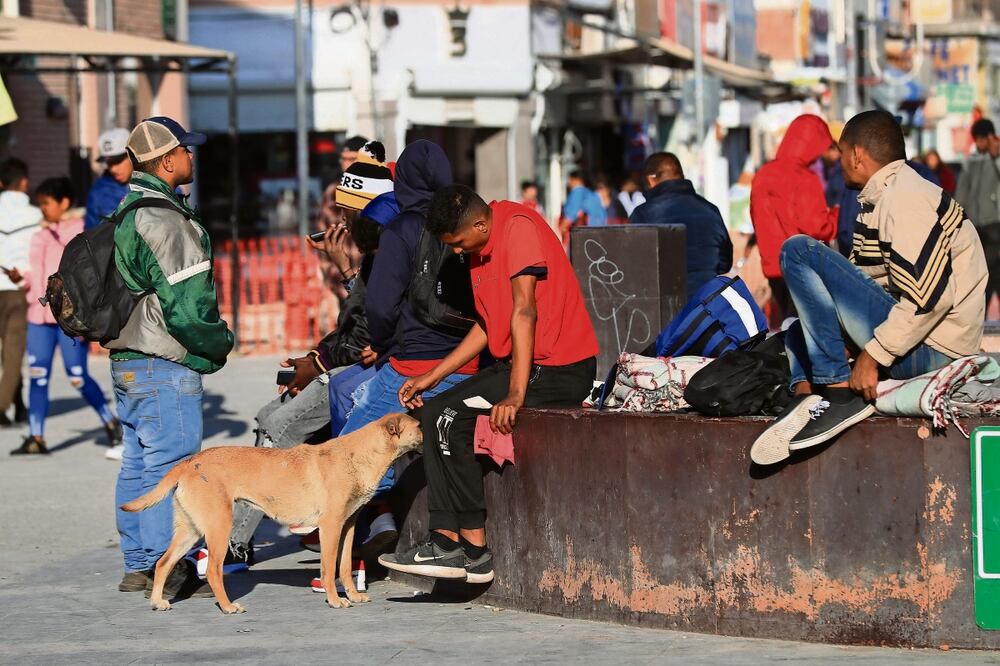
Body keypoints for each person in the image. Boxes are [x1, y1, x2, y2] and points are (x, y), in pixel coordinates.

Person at [380, 185, 598, 584]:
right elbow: (489, 325)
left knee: (450, 417)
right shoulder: (481, 248)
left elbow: (524, 311)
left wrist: (515, 394)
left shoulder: (517, 229)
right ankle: (447, 544)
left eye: (459, 243)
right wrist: (433, 375)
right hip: (525, 364)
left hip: (560, 367)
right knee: (434, 411)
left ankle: (472, 551)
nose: (459, 252)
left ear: (480, 224)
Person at [750, 110, 987, 466]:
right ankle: (806, 397)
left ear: (857, 155)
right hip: (918, 340)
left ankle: (836, 392)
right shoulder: (879, 197)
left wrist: (872, 356)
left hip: (934, 350)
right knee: (804, 326)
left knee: (799, 250)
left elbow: (928, 301)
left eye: (842, 153)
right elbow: (865, 284)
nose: (838, 162)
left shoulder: (906, 199)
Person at [228, 140, 393, 562]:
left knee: (277, 428)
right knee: (268, 416)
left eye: (350, 212)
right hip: (352, 364)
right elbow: (351, 326)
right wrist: (311, 359)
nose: (342, 221)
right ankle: (312, 513)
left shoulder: (389, 250)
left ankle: (232, 543)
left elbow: (366, 335)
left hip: (376, 372)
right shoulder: (375, 253)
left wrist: (317, 364)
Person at [325, 141, 480, 575]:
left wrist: (387, 343)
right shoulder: (464, 220)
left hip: (413, 365)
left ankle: (342, 553)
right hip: (467, 361)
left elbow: (380, 306)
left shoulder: (402, 228)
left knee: (343, 460)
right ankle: (378, 523)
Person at [110, 117, 234, 599]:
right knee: (173, 468)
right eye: (185, 149)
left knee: (138, 465)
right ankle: (170, 568)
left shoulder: (125, 208)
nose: (191, 156)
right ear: (166, 161)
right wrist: (216, 345)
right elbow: (189, 305)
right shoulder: (164, 219)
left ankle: (139, 565)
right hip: (163, 359)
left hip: (128, 359)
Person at [10, 177, 122, 456]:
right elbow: (32, 276)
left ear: (64, 203)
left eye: (47, 203)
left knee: (77, 376)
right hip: (38, 317)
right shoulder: (38, 235)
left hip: (68, 318)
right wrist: (19, 277)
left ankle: (110, 422)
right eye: (40, 203)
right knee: (38, 375)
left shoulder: (80, 232)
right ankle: (37, 437)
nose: (42, 209)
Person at [750, 114, 839, 324]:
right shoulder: (804, 178)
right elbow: (817, 226)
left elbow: (755, 215)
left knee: (789, 321)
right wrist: (836, 215)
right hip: (800, 264)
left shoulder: (764, 173)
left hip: (772, 265)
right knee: (804, 326)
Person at [630, 152, 733, 298]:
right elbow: (725, 262)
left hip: (666, 307)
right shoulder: (711, 210)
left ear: (651, 180)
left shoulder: (643, 214)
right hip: (709, 305)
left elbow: (634, 266)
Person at [0, 158, 39, 429]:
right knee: (13, 354)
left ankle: (19, 406)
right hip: (17, 289)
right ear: (23, 182)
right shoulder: (36, 215)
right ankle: (2, 406)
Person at [955, 118, 1000, 307]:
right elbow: (963, 191)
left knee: (990, 267)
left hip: (994, 222)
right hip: (975, 223)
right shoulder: (971, 161)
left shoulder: (996, 159)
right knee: (982, 269)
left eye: (984, 139)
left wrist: (995, 156)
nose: (980, 143)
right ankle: (982, 310)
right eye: (978, 139)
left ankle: (984, 307)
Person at [85, 128, 133, 230]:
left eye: (118, 161)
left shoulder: (155, 182)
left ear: (132, 155)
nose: (113, 169)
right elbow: (90, 236)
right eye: (109, 163)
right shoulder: (98, 192)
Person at [560, 171, 606, 246]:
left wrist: (560, 230)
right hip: (597, 234)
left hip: (583, 236)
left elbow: (570, 216)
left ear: (576, 179)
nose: (568, 183)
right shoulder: (591, 194)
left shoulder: (577, 191)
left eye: (570, 179)